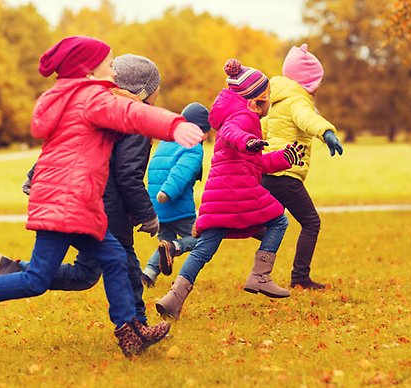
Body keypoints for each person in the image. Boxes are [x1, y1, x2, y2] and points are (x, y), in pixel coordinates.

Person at [0, 36, 204, 357]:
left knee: (110, 260)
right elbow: (135, 116)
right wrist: (174, 125)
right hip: (69, 203)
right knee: (38, 278)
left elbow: (64, 144)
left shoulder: (74, 99)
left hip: (77, 203)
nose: (113, 69)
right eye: (108, 63)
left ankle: (131, 332)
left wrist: (34, 176)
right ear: (89, 70)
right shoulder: (95, 100)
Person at [0, 54, 165, 327]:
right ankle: (136, 325)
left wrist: (34, 176)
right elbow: (128, 175)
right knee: (126, 262)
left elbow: (69, 145)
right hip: (106, 206)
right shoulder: (136, 119)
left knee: (85, 274)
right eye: (156, 90)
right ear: (144, 92)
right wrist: (147, 215)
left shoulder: (96, 106)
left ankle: (10, 272)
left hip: (88, 199)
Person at [155, 59, 305, 319]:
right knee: (279, 221)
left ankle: (173, 298)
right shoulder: (242, 118)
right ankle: (260, 275)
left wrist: (285, 157)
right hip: (238, 192)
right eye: (267, 97)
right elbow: (234, 136)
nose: (269, 102)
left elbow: (257, 163)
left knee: (203, 248)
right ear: (253, 100)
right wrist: (249, 141)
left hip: (221, 196)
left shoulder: (235, 117)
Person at [261, 44, 344, 290]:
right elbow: (307, 119)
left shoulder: (277, 100)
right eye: (318, 81)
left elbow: (264, 128)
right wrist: (326, 132)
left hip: (268, 173)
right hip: (286, 175)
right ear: (309, 81)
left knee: (269, 222)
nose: (319, 86)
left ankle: (260, 273)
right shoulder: (297, 100)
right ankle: (300, 278)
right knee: (311, 222)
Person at [141, 102, 211, 287]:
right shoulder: (193, 146)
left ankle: (148, 273)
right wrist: (167, 192)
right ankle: (176, 247)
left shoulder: (166, 142)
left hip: (158, 209)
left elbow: (156, 169)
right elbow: (181, 172)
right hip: (176, 205)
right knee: (204, 238)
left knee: (165, 240)